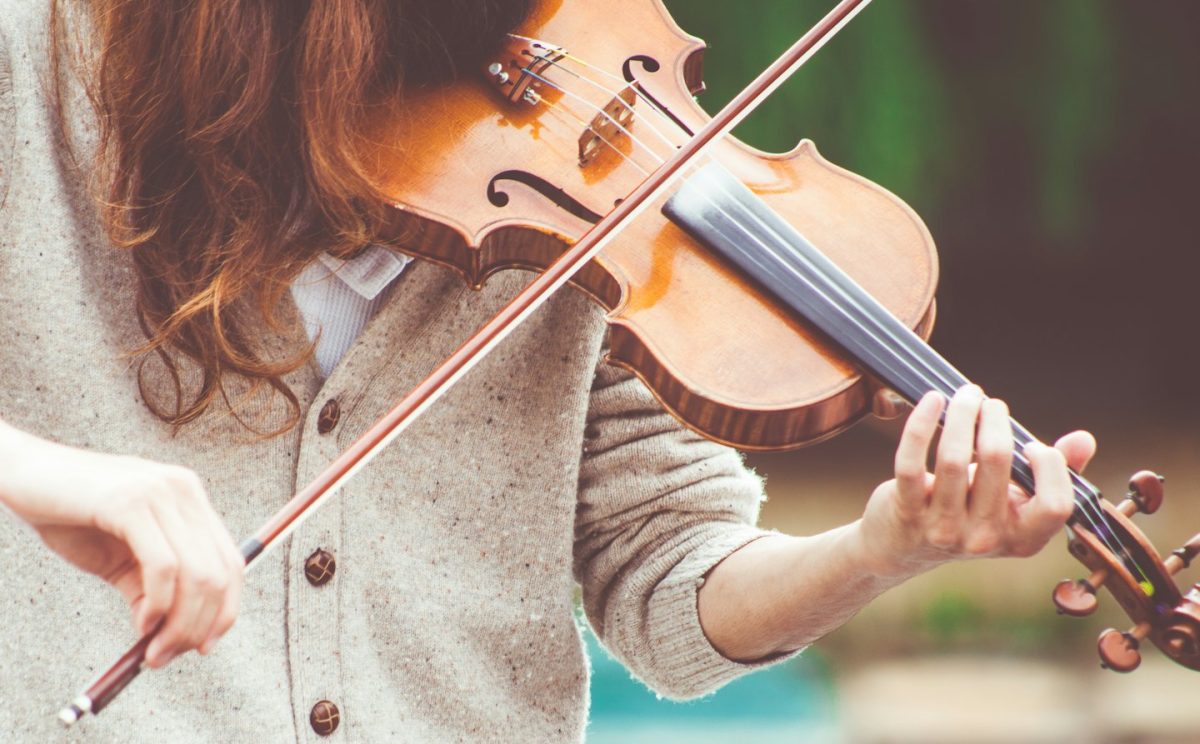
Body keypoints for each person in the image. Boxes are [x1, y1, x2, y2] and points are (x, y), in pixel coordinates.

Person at [0, 1, 1095, 741]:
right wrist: (50, 476)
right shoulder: (36, 63)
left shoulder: (586, 153)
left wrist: (882, 546)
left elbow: (671, 581)